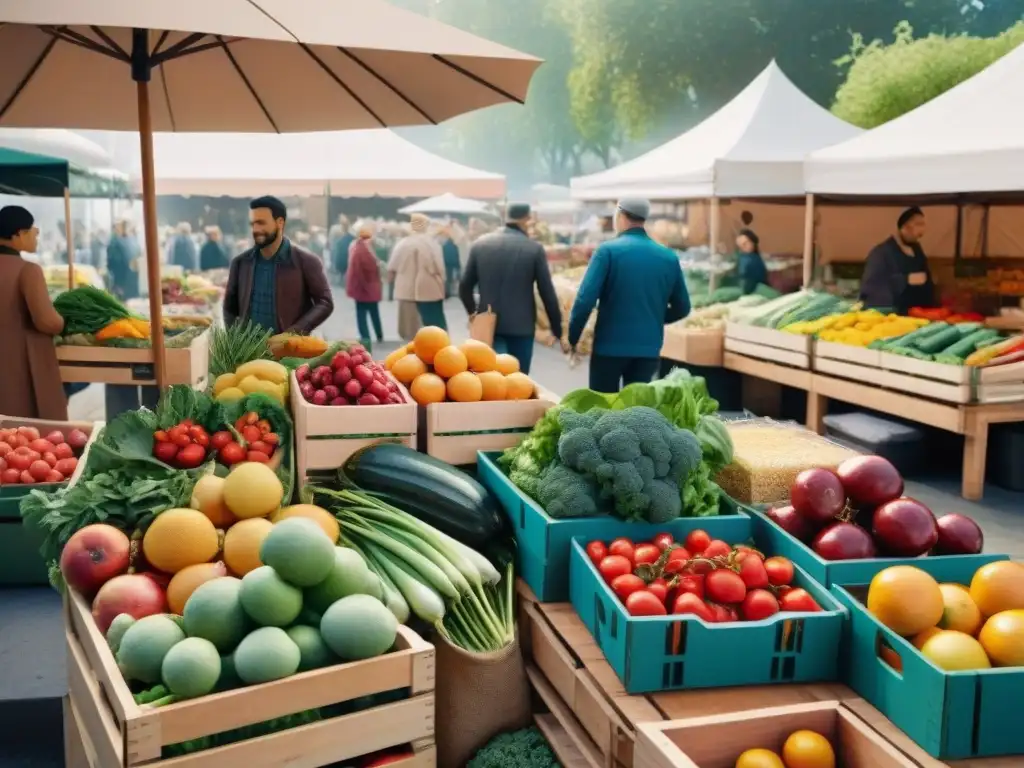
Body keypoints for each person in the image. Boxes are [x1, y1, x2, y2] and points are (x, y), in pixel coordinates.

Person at [568, 198, 690, 393]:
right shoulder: (668, 257)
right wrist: (654, 318)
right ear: (644, 220)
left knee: (603, 411)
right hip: (648, 350)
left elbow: (585, 300)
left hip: (608, 348)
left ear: (620, 216)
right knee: (636, 412)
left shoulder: (607, 252)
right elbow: (683, 307)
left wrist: (573, 337)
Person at [460, 203, 563, 374]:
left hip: (488, 324)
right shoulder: (534, 249)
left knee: (491, 378)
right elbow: (547, 293)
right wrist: (556, 329)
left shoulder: (480, 244)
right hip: (521, 327)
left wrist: (473, 314)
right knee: (518, 381)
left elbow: (464, 286)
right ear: (526, 219)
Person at [224, 195, 334, 333]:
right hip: (248, 350)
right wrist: (234, 339)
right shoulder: (240, 263)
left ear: (280, 222)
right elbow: (229, 309)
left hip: (289, 350)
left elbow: (325, 302)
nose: (255, 229)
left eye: (261, 223)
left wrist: (295, 332)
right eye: (253, 224)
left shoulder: (306, 261)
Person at [0, 206, 68, 420]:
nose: (36, 236)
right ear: (18, 234)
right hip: (19, 363)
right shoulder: (27, 270)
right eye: (32, 232)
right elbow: (47, 322)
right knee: (24, 432)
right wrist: (62, 321)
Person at [861, 207, 936, 315]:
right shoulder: (881, 253)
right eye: (918, 224)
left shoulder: (917, 250)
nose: (922, 230)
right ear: (905, 227)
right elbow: (873, 285)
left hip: (917, 314)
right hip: (891, 315)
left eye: (923, 224)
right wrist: (906, 280)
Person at [388, 214, 446, 340]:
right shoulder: (432, 244)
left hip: (405, 291)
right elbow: (439, 268)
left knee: (410, 331)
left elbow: (391, 268)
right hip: (430, 290)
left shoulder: (402, 244)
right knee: (435, 329)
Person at [347, 221, 384, 346]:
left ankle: (369, 337)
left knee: (363, 313)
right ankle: (370, 337)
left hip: (365, 288)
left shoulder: (358, 248)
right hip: (366, 288)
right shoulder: (363, 250)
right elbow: (363, 271)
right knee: (370, 313)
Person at [106, 220, 139, 300]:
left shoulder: (116, 242)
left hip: (121, 277)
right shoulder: (133, 242)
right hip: (130, 278)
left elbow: (111, 261)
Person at [735, 228, 768, 295]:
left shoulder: (753, 259)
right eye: (741, 244)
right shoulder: (742, 257)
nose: (743, 246)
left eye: (746, 243)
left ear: (753, 242)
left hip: (754, 290)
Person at [440, 225, 461, 298]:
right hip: (450, 264)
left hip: (447, 263)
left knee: (448, 279)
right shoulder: (452, 244)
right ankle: (448, 292)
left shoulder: (446, 244)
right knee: (450, 279)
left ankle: (447, 292)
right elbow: (455, 255)